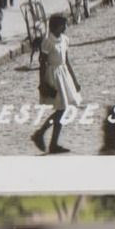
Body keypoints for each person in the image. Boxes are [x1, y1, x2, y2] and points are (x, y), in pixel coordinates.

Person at [30, 14, 81, 155]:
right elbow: (42, 63)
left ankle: (50, 141)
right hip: (53, 77)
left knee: (62, 110)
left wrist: (75, 80)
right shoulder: (48, 42)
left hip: (64, 75)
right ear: (55, 26)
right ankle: (42, 135)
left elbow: (67, 61)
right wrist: (42, 83)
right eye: (63, 25)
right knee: (61, 110)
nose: (65, 27)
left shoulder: (65, 40)